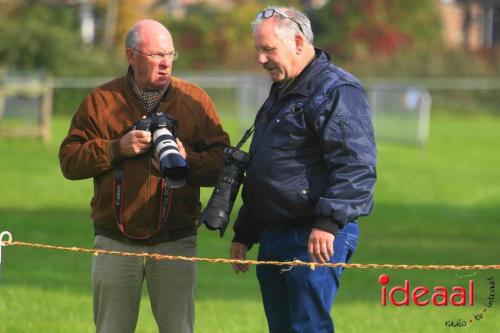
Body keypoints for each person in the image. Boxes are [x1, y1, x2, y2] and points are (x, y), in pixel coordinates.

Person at [59, 19, 229, 333]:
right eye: (155, 55)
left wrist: (187, 161)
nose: (165, 63)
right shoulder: (101, 102)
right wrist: (114, 149)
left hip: (176, 240)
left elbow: (224, 164)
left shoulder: (195, 101)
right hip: (114, 240)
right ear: (131, 55)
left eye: (170, 54)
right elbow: (69, 161)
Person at [230, 7, 377, 333]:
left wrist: (329, 222)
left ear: (298, 42)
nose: (261, 59)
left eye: (268, 49)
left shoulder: (336, 90)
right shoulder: (281, 92)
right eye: (258, 49)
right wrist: (246, 231)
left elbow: (356, 165)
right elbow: (267, 168)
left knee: (307, 328)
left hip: (314, 235)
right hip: (274, 234)